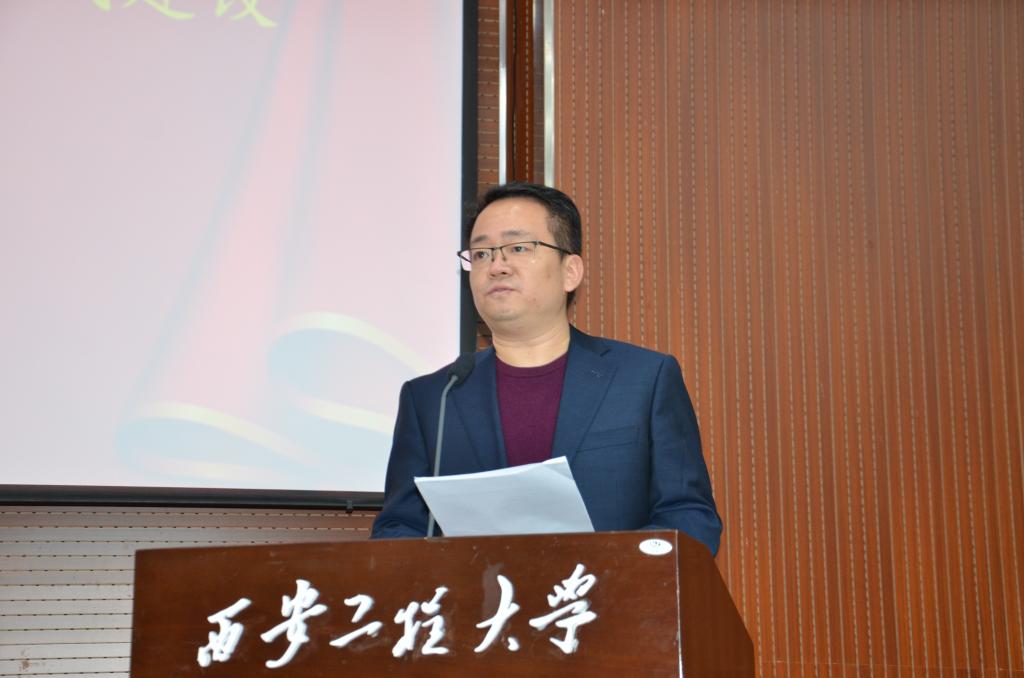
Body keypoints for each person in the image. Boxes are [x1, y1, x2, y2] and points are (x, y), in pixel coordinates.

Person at [370, 182, 722, 555]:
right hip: (478, 593)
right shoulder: (434, 398)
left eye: (518, 248)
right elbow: (399, 528)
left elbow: (689, 517)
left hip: (608, 590)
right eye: (482, 253)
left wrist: (610, 571)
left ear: (571, 271)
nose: (497, 266)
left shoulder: (643, 380)